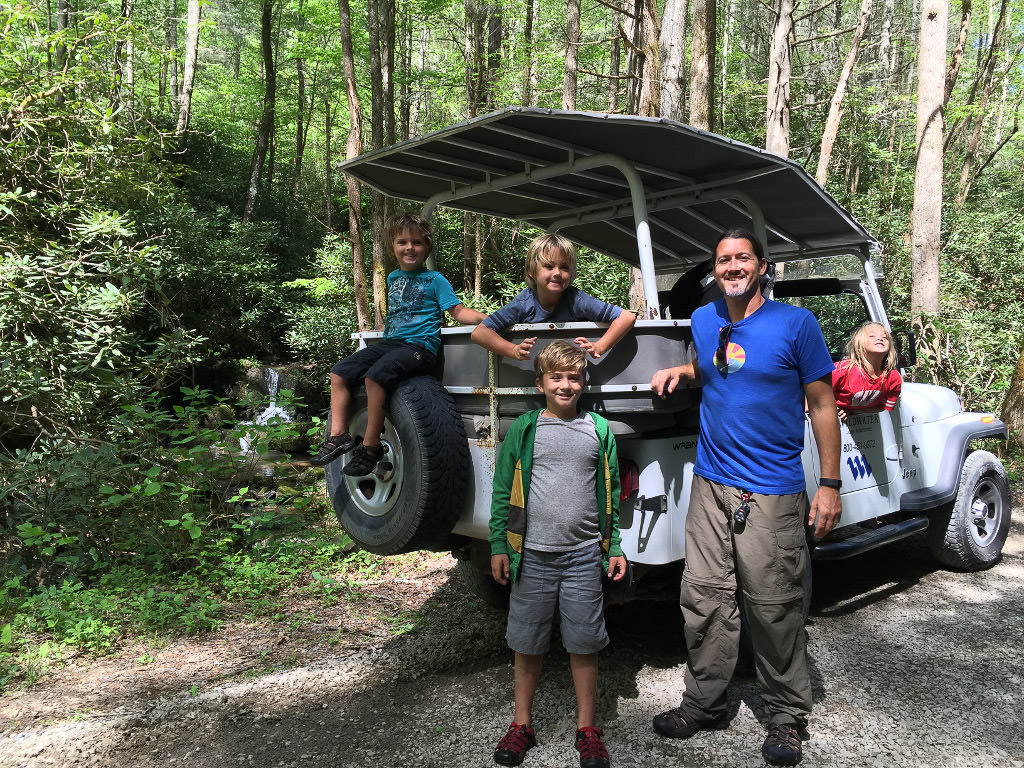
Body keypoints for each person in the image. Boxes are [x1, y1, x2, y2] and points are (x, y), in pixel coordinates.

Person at [649, 229, 842, 767]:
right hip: (711, 484)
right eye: (723, 260)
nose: (732, 266)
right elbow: (722, 368)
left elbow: (822, 405)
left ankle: (785, 717)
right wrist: (680, 370)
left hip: (772, 490)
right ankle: (705, 702)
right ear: (715, 270)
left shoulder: (796, 324)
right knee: (704, 596)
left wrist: (829, 486)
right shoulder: (706, 317)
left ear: (761, 266)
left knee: (774, 604)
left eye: (742, 258)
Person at [488, 340, 628, 768]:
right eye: (557, 378)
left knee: (583, 642)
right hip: (531, 556)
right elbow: (501, 491)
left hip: (585, 556)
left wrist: (615, 545)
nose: (566, 385)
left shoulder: (599, 430)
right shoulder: (525, 429)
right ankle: (521, 724)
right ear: (541, 383)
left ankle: (587, 728)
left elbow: (612, 493)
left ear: (583, 382)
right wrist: (499, 545)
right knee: (527, 641)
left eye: (574, 377)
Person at [311, 213, 486, 474]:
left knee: (375, 377)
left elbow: (459, 312)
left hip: (420, 347)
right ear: (393, 248)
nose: (409, 248)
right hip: (392, 343)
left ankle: (371, 447)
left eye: (416, 242)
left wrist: (492, 319)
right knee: (339, 372)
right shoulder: (393, 277)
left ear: (427, 248)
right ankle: (338, 436)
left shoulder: (435, 280)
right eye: (402, 242)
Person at [471, 234, 635, 361]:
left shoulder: (577, 300)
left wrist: (599, 346)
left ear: (571, 273)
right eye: (549, 266)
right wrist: (513, 350)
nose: (557, 273)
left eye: (564, 267)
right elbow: (480, 333)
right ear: (531, 270)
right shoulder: (524, 304)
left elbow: (626, 317)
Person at [832, 321, 902, 421]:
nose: (880, 338)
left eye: (885, 337)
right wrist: (831, 410)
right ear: (858, 343)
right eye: (872, 336)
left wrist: (850, 411)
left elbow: (883, 407)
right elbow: (813, 396)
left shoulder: (893, 377)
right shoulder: (841, 370)